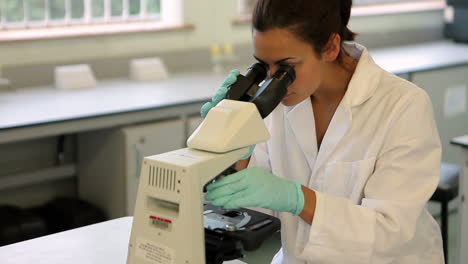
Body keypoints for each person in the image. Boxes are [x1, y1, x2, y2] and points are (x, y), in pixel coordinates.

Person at [201, 0, 444, 263]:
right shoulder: (279, 103)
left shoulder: (402, 105)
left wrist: (298, 198)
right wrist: (230, 142)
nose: (271, 80)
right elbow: (251, 210)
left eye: (285, 68)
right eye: (263, 65)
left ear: (330, 47)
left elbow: (389, 233)